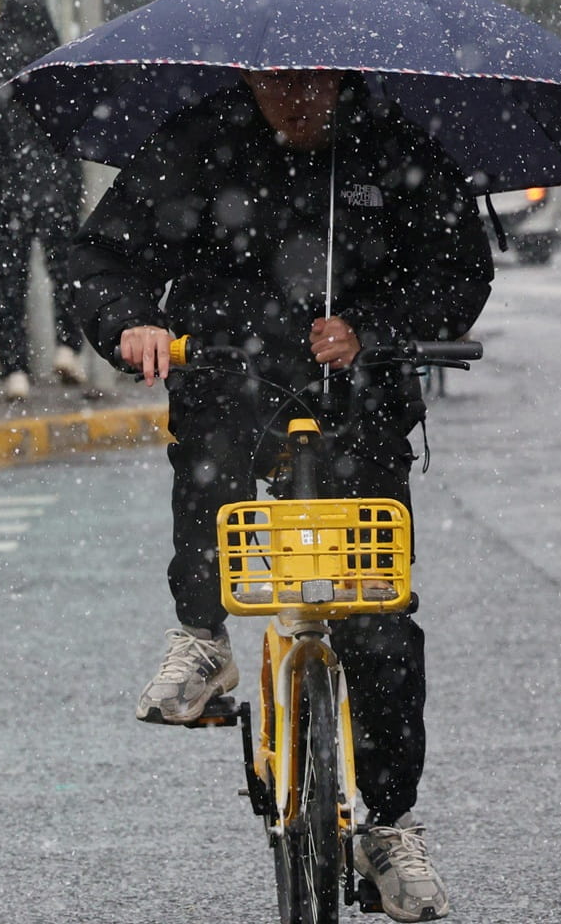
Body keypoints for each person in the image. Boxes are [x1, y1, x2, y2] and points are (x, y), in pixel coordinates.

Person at [70, 68, 492, 922]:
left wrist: (374, 329)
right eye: (276, 84)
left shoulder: (396, 145)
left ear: (339, 76)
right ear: (250, 77)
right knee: (211, 481)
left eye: (310, 84)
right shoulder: (198, 142)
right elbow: (106, 257)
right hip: (231, 377)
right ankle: (202, 638)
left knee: (375, 614)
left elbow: (459, 271)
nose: (294, 99)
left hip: (359, 403)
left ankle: (388, 824)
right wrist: (130, 322)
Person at [0, 0, 88, 402]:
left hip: (5, 190)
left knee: (8, 281)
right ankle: (68, 348)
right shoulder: (57, 63)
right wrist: (72, 182)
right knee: (66, 272)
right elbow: (75, 127)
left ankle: (15, 369)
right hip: (54, 185)